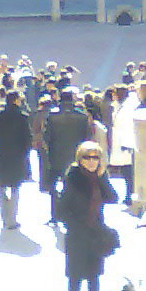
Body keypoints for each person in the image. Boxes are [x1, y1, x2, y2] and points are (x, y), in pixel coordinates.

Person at [58, 140, 118, 291]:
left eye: (96, 158)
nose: (92, 162)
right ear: (79, 159)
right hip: (77, 237)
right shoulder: (72, 178)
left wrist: (102, 178)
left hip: (95, 237)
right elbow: (62, 211)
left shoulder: (99, 178)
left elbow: (113, 197)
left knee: (94, 281)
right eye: (87, 157)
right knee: (75, 282)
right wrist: (78, 228)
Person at [0, 89, 33, 230]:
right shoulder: (23, 117)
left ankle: (4, 217)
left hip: (0, 154)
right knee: (15, 188)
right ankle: (11, 219)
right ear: (16, 100)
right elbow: (27, 139)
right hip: (17, 156)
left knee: (0, 187)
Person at [45, 87, 92, 223]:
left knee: (54, 188)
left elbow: (47, 137)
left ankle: (55, 215)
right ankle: (72, 213)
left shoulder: (52, 116)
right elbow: (87, 137)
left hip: (56, 155)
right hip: (76, 157)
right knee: (74, 186)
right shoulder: (82, 116)